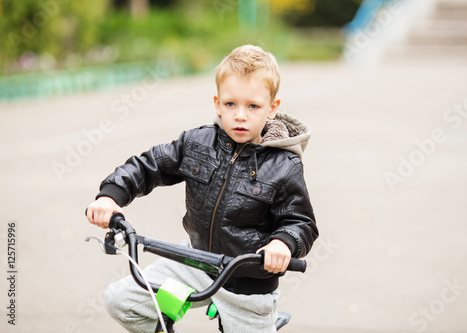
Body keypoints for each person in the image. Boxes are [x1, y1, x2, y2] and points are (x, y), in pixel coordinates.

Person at [86, 44, 319, 333]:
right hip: (195, 262)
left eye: (253, 106)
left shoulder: (284, 165)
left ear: (272, 109)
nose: (240, 115)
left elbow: (301, 222)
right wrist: (111, 195)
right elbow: (150, 165)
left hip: (247, 286)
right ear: (217, 103)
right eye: (231, 104)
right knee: (120, 300)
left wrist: (283, 243)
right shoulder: (197, 143)